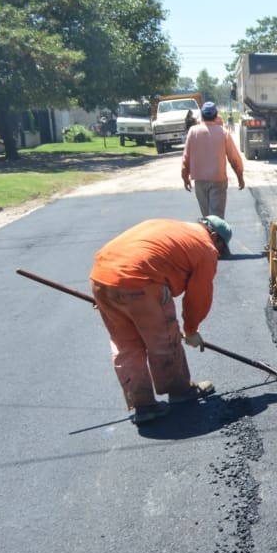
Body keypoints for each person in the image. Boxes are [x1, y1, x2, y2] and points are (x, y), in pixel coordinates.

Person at [89, 217, 232, 424]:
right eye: (220, 246)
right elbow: (199, 295)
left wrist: (108, 296)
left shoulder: (170, 227)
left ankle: (143, 405)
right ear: (215, 237)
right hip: (140, 283)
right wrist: (191, 330)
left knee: (126, 345)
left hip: (101, 278)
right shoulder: (205, 247)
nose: (218, 253)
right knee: (163, 339)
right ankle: (180, 391)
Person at [182, 101, 245, 221]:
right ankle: (215, 239)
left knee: (206, 218)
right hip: (218, 181)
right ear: (216, 115)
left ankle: (208, 238)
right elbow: (234, 159)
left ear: (202, 115)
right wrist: (240, 176)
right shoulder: (223, 133)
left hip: (200, 181)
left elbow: (186, 158)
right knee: (216, 219)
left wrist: (185, 177)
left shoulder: (193, 132)